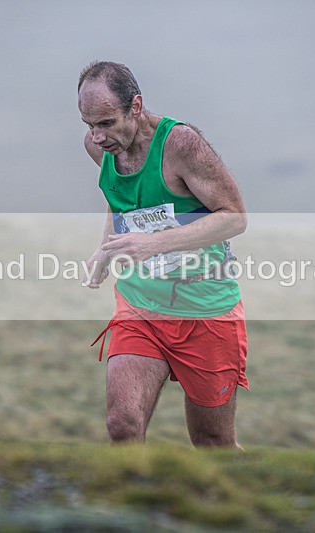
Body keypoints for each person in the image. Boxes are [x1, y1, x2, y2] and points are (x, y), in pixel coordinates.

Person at [77, 61, 249, 448]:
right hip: (141, 305)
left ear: (135, 106)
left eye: (106, 123)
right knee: (122, 424)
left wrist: (151, 244)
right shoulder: (99, 148)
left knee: (212, 441)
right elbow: (118, 199)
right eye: (88, 124)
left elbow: (235, 218)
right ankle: (138, 503)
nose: (97, 136)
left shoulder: (179, 145)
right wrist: (107, 248)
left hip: (206, 310)